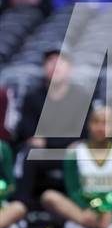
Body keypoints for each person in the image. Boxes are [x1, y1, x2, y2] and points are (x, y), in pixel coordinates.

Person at [14, 47, 92, 209]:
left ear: (70, 68)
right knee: (28, 154)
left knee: (83, 153)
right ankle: (21, 208)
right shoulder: (32, 97)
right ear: (44, 68)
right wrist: (57, 142)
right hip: (43, 154)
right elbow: (27, 132)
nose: (54, 66)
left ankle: (83, 209)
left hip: (70, 152)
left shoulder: (82, 97)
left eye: (60, 62)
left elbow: (83, 133)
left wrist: (48, 141)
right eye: (50, 62)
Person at [0, 139, 27, 228]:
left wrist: (2, 193)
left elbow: (11, 186)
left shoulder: (3, 148)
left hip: (1, 206)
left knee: (18, 208)